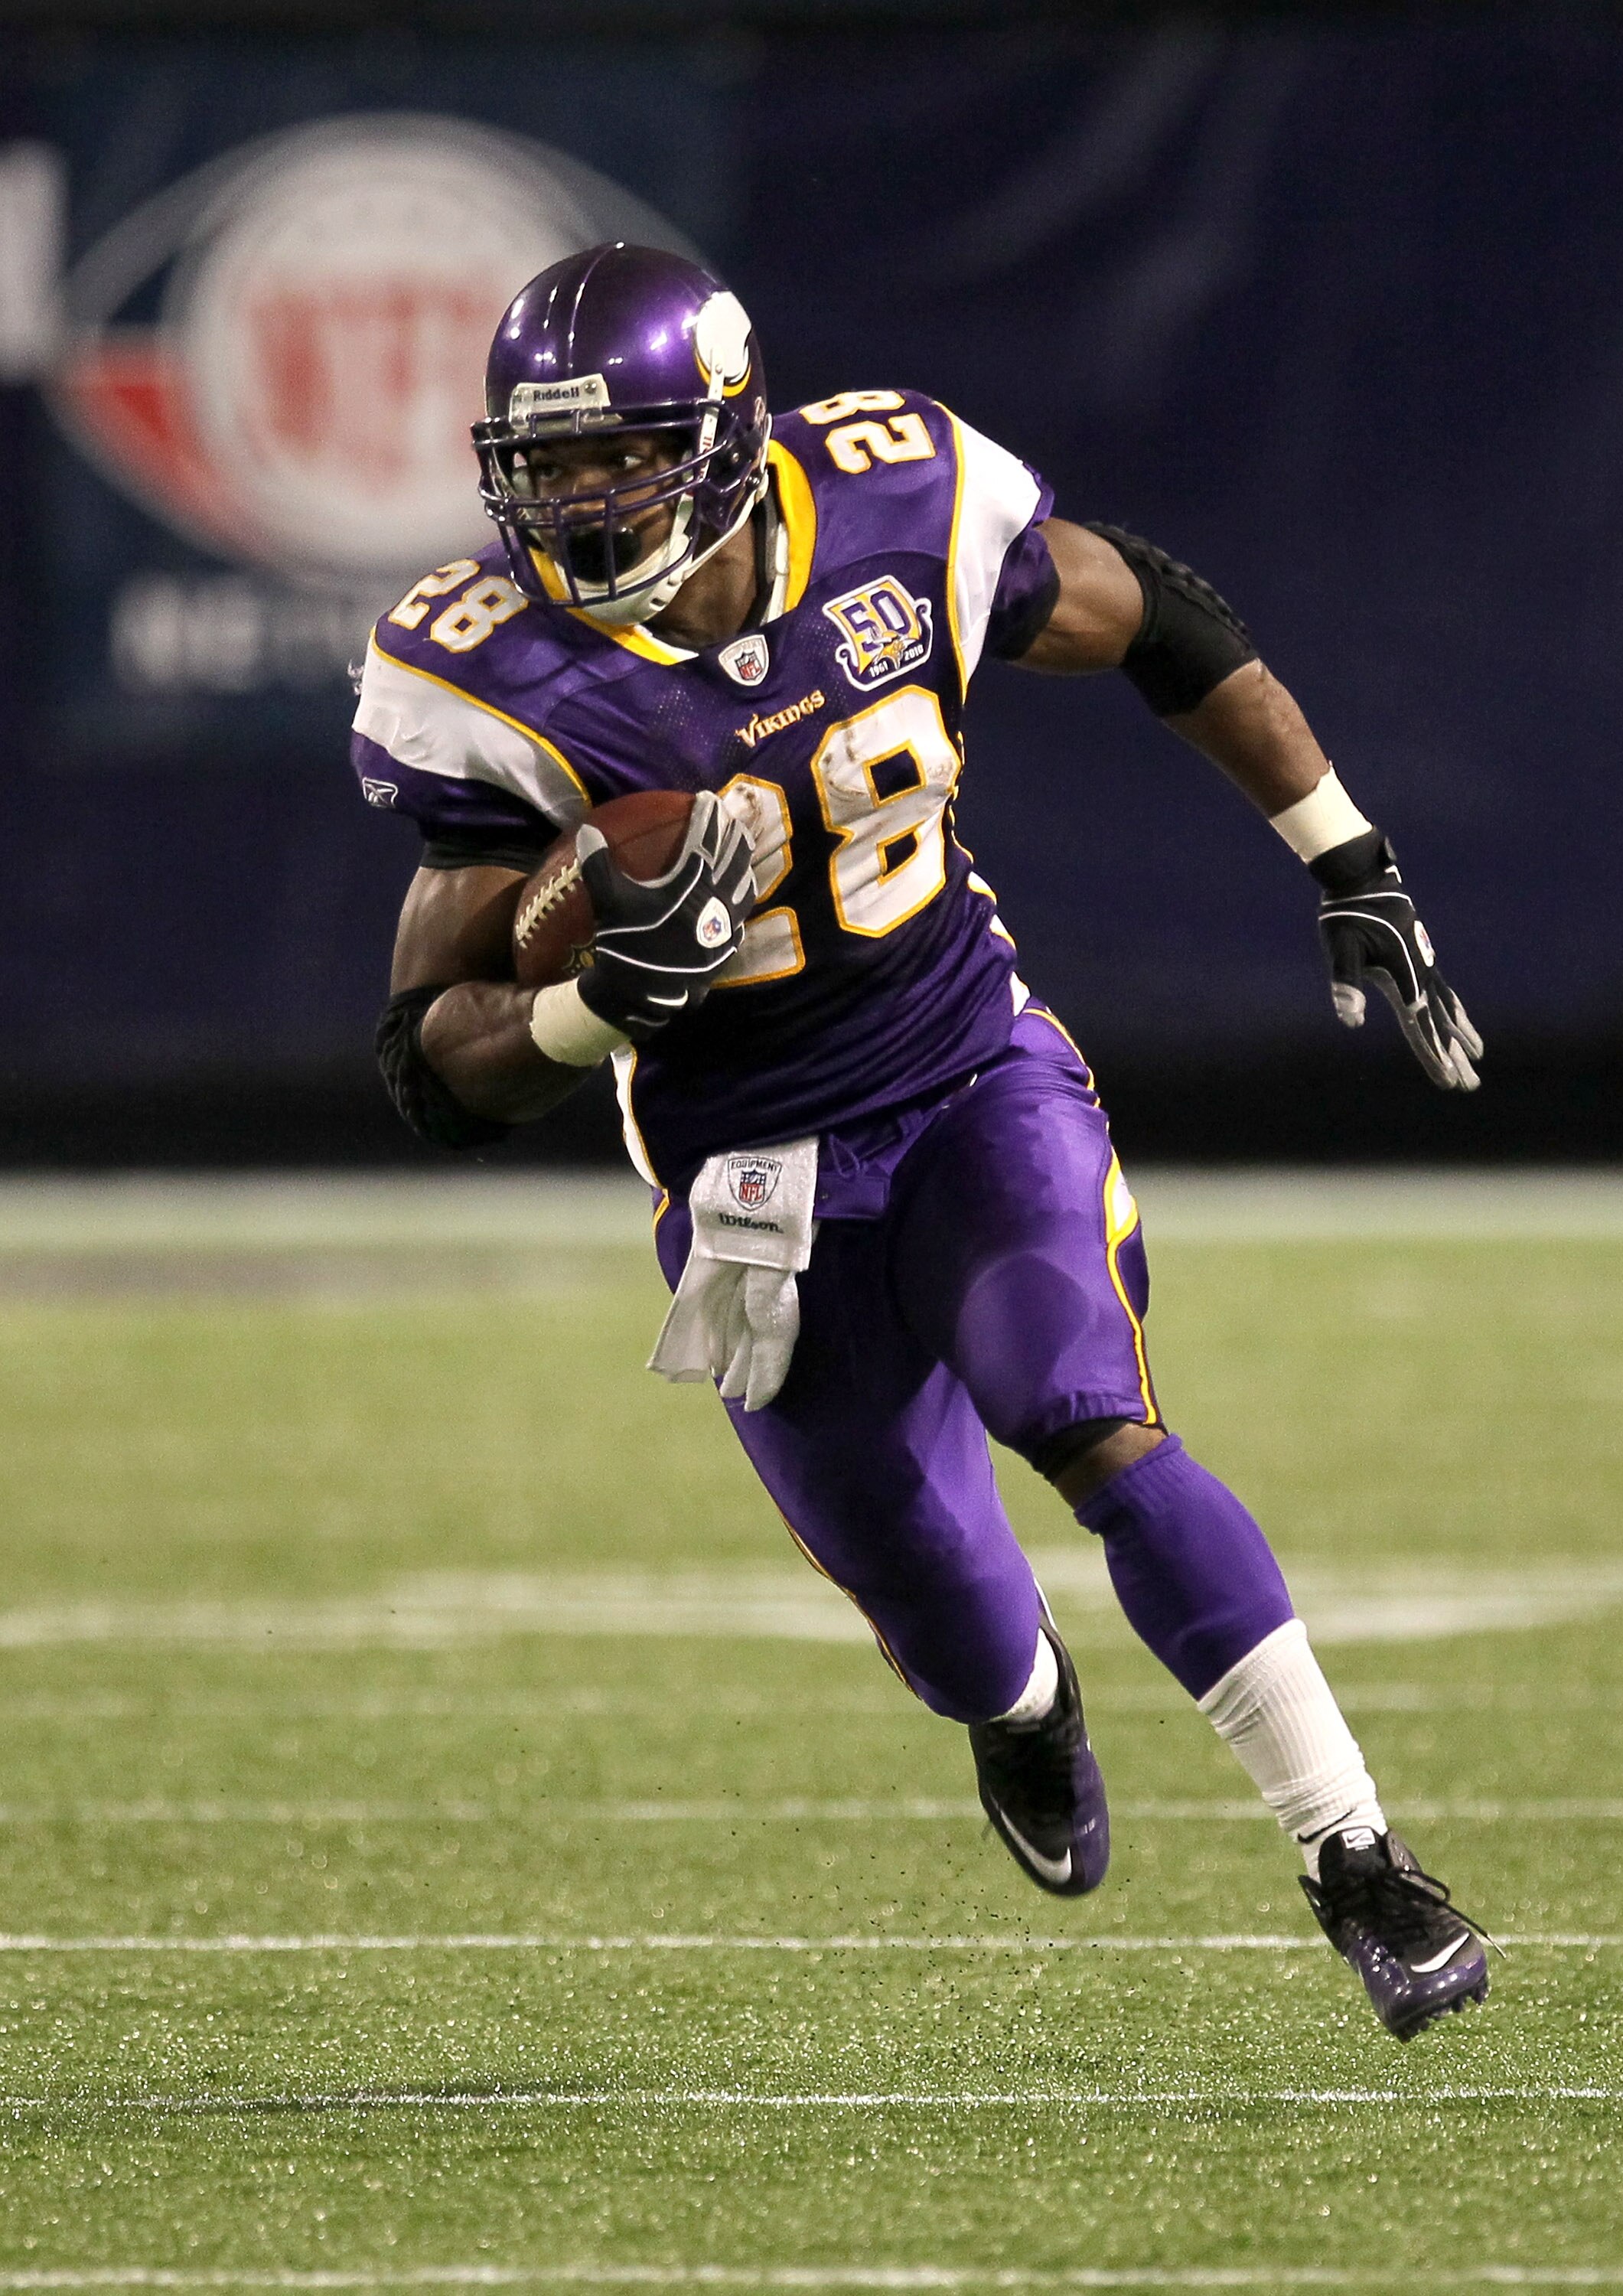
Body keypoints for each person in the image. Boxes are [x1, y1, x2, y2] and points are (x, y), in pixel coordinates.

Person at [351, 242, 1489, 2041]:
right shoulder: (487, 672)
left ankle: (1355, 1854)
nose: (578, 499)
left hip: (966, 1074)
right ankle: (1022, 1711)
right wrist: (597, 1005)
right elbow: (434, 1065)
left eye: (618, 455)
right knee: (943, 1600)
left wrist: (1343, 852)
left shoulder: (902, 499)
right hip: (751, 1183)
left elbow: (1160, 614)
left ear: (722, 430)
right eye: (545, 465)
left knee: (1083, 1409)